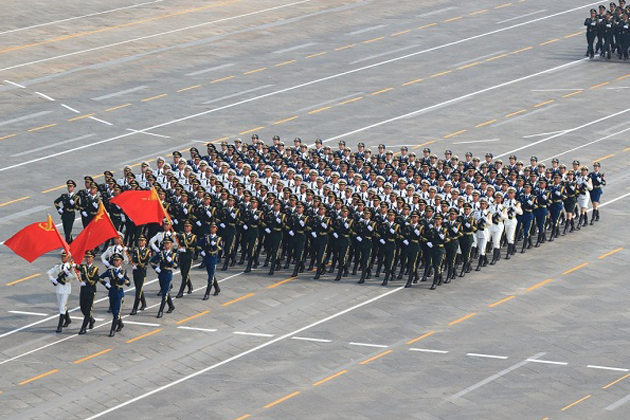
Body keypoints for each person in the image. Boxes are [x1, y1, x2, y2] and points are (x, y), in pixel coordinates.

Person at [98, 253, 130, 337]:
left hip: (119, 292)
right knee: (113, 310)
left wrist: (122, 278)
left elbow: (128, 283)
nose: (116, 262)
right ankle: (120, 324)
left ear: (121, 261)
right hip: (112, 291)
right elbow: (100, 278)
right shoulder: (110, 270)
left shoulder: (123, 272)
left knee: (116, 313)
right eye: (115, 260)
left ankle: (112, 330)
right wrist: (106, 284)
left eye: (118, 260)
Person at [47, 251, 78, 333]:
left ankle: (59, 326)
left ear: (68, 257)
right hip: (59, 288)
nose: (63, 258)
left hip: (66, 288)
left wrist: (68, 273)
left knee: (62, 307)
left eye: (65, 256)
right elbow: (49, 273)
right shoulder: (58, 266)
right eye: (62, 256)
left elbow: (75, 277)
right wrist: (53, 280)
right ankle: (67, 320)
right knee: (62, 305)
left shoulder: (70, 267)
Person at [151, 237, 178, 318]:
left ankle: (160, 311)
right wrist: (156, 268)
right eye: (165, 243)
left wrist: (171, 261)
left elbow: (176, 266)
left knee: (164, 293)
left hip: (168, 273)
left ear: (171, 244)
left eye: (168, 243)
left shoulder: (173, 255)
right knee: (164, 291)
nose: (167, 245)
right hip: (161, 273)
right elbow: (152, 261)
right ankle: (171, 306)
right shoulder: (160, 254)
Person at [77, 251, 99, 335]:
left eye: (89, 257)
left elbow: (95, 279)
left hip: (91, 290)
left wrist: (86, 282)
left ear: (92, 258)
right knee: (82, 307)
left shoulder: (95, 269)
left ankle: (83, 328)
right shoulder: (83, 267)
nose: (88, 259)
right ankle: (91, 319)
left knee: (88, 309)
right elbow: (76, 267)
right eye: (86, 257)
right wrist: (72, 263)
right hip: (83, 290)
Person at [129, 235, 151, 315]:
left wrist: (136, 264)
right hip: (135, 272)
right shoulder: (136, 250)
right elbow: (131, 252)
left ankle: (134, 308)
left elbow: (145, 261)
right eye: (139, 241)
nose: (140, 242)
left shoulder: (148, 251)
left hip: (142, 272)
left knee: (138, 291)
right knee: (138, 288)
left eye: (142, 241)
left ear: (145, 242)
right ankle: (144, 303)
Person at [199, 223, 221, 299]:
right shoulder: (206, 237)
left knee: (210, 277)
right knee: (210, 274)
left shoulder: (218, 239)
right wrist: (201, 251)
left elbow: (220, 249)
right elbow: (199, 245)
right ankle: (217, 288)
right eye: (211, 227)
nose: (212, 229)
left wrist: (215, 245)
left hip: (213, 258)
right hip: (206, 257)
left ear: (216, 229)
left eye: (214, 228)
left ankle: (207, 293)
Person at [176, 220, 197, 298]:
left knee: (185, 275)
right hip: (182, 257)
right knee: (183, 273)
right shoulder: (181, 235)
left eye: (188, 226)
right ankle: (190, 285)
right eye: (185, 226)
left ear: (191, 228)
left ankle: (181, 291)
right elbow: (178, 243)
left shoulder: (193, 237)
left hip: (188, 257)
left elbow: (193, 247)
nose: (186, 228)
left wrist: (185, 249)